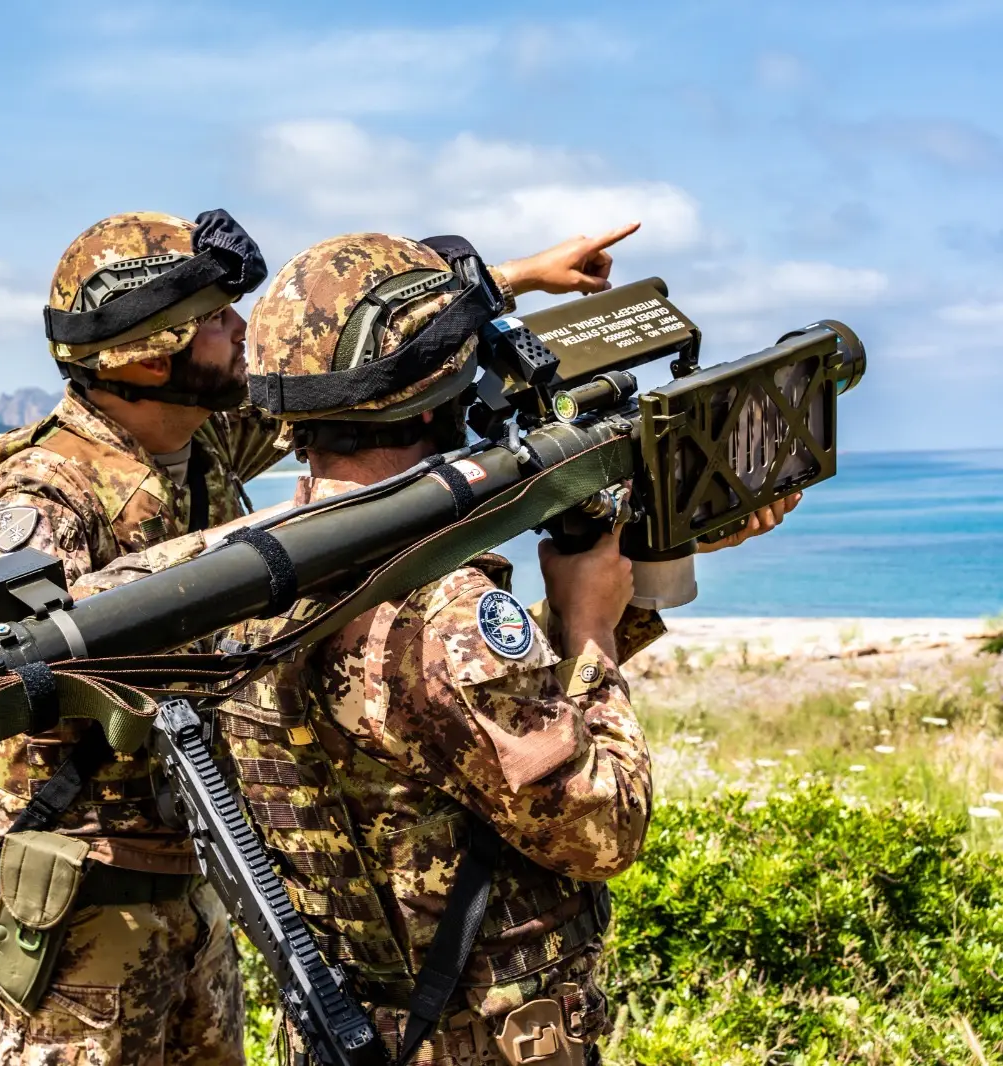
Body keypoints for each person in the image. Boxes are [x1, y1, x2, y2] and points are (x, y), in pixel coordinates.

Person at [213, 229, 796, 1066]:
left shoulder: (250, 569)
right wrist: (590, 624)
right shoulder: (442, 616)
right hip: (475, 1034)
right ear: (431, 396)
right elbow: (601, 827)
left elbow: (444, 724)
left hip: (341, 1020)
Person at [0, 209, 282, 1065]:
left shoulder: (198, 447)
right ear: (147, 352)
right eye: (215, 317)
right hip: (84, 905)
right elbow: (24, 672)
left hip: (190, 880)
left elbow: (357, 388)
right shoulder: (41, 493)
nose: (241, 330)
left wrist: (513, 277)